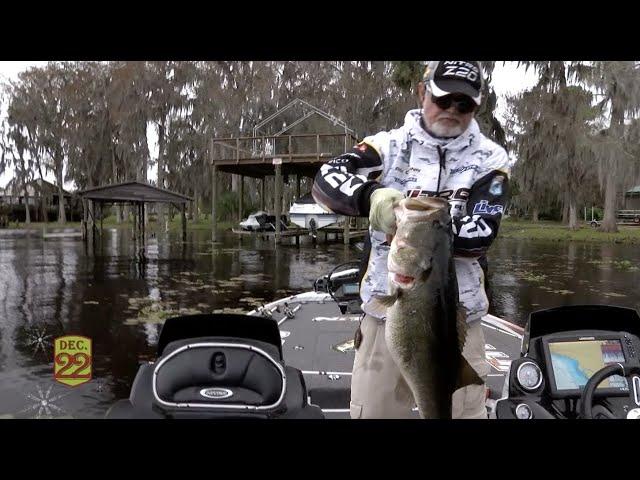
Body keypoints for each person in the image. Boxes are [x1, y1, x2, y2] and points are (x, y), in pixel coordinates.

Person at [311, 61, 510, 419]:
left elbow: (482, 233)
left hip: (456, 321)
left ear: (476, 108)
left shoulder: (490, 159)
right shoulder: (387, 146)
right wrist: (371, 197)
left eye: (463, 105)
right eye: (443, 99)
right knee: (374, 411)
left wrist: (429, 227)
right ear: (422, 92)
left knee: (463, 412)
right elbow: (326, 179)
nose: (452, 110)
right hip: (385, 313)